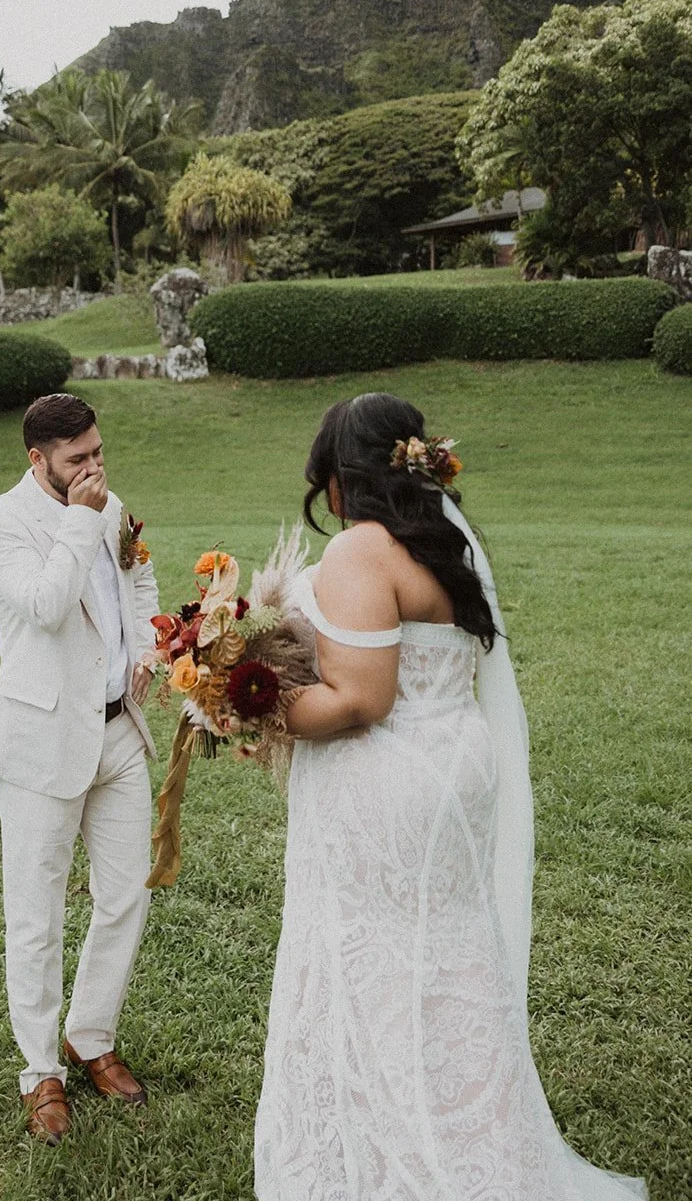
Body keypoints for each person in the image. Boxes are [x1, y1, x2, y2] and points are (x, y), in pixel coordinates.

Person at [254, 391, 647, 1200]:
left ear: (343, 475)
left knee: (369, 959)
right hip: (453, 775)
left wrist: (250, 702)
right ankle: (478, 1138)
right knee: (449, 958)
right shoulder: (441, 541)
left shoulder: (361, 551)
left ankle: (388, 1157)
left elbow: (361, 699)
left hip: (387, 781)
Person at [0, 392, 158, 1145]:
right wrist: (81, 518)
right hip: (41, 738)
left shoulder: (113, 506)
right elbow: (46, 607)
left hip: (118, 731)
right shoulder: (1, 522)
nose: (94, 468)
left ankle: (91, 1037)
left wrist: (146, 650)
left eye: (98, 452)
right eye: (78, 459)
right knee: (36, 913)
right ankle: (40, 1070)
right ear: (37, 459)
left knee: (126, 894)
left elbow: (138, 581)